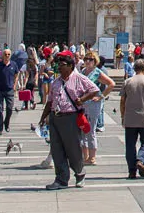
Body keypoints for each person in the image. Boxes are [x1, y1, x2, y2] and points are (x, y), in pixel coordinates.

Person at [38, 51, 98, 190]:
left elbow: (94, 90)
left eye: (62, 64)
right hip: (55, 117)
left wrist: (82, 99)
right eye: (58, 64)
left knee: (73, 149)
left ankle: (80, 173)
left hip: (71, 117)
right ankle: (61, 179)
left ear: (71, 66)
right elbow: (50, 101)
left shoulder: (79, 78)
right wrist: (43, 118)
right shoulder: (56, 82)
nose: (59, 67)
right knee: (56, 149)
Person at [79, 51, 115, 166]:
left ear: (95, 61)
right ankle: (85, 157)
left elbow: (111, 84)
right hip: (83, 103)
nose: (87, 61)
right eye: (86, 59)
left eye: (90, 59)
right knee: (82, 129)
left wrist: (101, 96)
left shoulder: (97, 72)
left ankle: (92, 157)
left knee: (91, 130)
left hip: (94, 104)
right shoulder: (83, 71)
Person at [0, 46, 19, 134]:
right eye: (5, 54)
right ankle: (0, 128)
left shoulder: (14, 64)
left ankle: (6, 123)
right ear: (2, 55)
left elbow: (16, 75)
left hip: (9, 90)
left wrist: (15, 85)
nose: (7, 56)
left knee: (9, 108)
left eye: (8, 54)